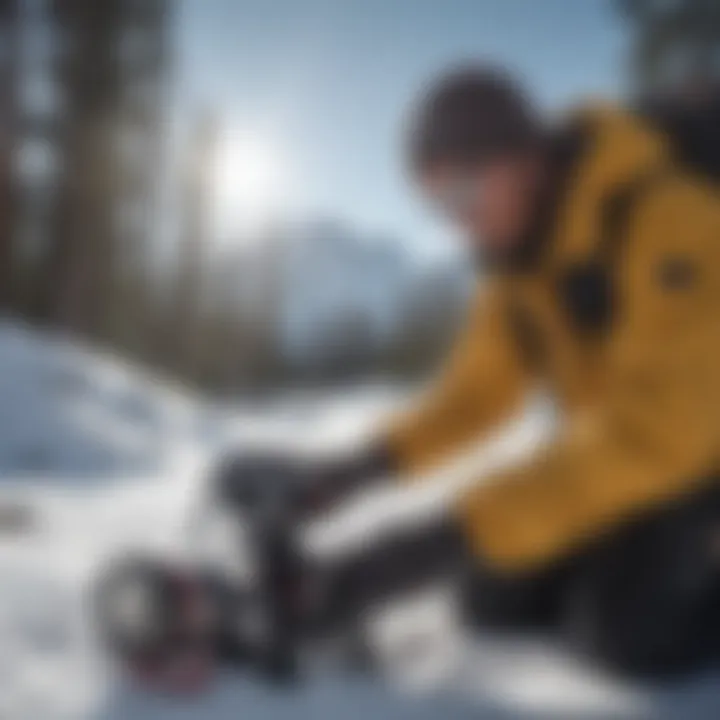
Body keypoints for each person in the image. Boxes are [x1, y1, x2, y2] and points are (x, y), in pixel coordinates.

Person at [99, 65, 720, 688]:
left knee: (625, 634)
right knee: (492, 597)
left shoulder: (667, 219)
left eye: (462, 192)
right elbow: (476, 396)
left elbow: (665, 430)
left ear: (523, 158)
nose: (456, 219)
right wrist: (351, 473)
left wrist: (420, 551)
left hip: (695, 461)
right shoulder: (519, 266)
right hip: (620, 460)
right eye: (437, 204)